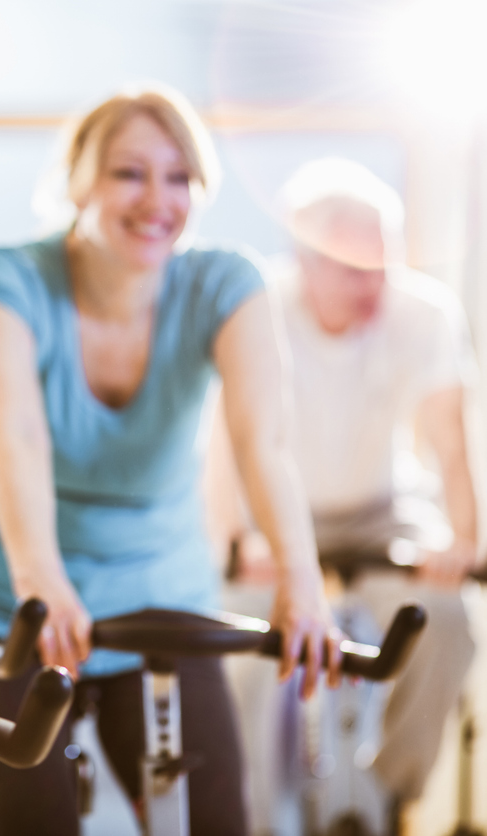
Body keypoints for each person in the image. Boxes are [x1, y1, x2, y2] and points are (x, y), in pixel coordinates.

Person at [0, 85, 343, 835]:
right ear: (79, 182)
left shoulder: (224, 283)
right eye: (129, 173)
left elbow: (263, 440)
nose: (157, 199)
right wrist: (43, 584)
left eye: (179, 177)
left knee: (215, 821)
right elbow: (18, 441)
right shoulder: (10, 278)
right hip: (15, 598)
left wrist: (301, 579)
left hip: (159, 591)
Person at [222, 158, 478, 811]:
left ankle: (384, 795)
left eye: (382, 267)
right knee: (239, 653)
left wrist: (463, 539)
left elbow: (450, 440)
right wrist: (235, 536)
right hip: (276, 515)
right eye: (352, 269)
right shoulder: (258, 311)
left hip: (382, 511)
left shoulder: (423, 313)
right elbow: (227, 440)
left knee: (446, 623)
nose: (373, 287)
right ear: (303, 258)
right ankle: (247, 814)